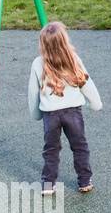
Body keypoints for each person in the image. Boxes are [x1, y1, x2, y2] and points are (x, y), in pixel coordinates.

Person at [29, 22, 102, 196]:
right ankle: (84, 181)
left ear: (42, 44)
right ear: (64, 41)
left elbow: (33, 93)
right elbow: (86, 82)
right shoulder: (73, 59)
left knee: (51, 149)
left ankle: (48, 184)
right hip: (73, 113)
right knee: (80, 146)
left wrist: (36, 114)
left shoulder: (38, 63)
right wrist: (96, 103)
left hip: (50, 115)